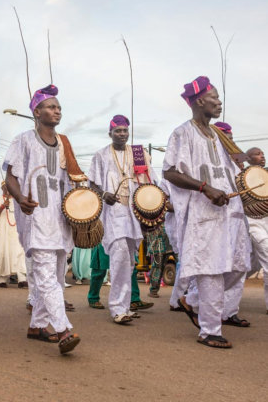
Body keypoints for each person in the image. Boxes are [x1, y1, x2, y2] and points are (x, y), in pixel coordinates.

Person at [163, 76, 250, 348]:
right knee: (211, 270)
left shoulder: (219, 136)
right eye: (215, 97)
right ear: (200, 101)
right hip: (203, 215)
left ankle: (194, 300)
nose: (219, 102)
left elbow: (234, 173)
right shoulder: (182, 133)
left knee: (239, 265)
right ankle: (209, 330)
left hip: (230, 212)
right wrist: (205, 188)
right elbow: (170, 172)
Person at [4, 84, 81, 354]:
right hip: (35, 215)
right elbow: (10, 177)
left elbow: (74, 179)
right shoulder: (23, 140)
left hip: (60, 219)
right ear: (37, 111)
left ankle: (37, 325)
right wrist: (20, 199)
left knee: (57, 275)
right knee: (47, 275)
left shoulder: (64, 143)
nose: (56, 110)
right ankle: (62, 329)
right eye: (50, 106)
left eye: (58, 107)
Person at [87, 115, 156, 324]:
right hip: (114, 213)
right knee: (118, 258)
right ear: (110, 133)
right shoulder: (101, 155)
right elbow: (92, 184)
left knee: (130, 262)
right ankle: (117, 309)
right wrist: (103, 194)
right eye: (118, 131)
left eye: (125, 130)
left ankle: (125, 306)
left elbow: (149, 181)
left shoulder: (138, 153)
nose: (122, 134)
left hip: (133, 213)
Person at [0, 182, 27, 288]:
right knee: (3, 253)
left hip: (16, 231)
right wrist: (2, 206)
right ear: (2, 188)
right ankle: (2, 279)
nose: (8, 189)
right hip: (2, 230)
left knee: (19, 253)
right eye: (6, 187)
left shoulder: (18, 201)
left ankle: (22, 279)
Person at [245, 147, 268, 314]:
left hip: (266, 221)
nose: (262, 156)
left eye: (263, 154)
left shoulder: (266, 176)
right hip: (252, 222)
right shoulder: (243, 177)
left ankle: (225, 286)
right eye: (258, 154)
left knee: (252, 265)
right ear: (248, 158)